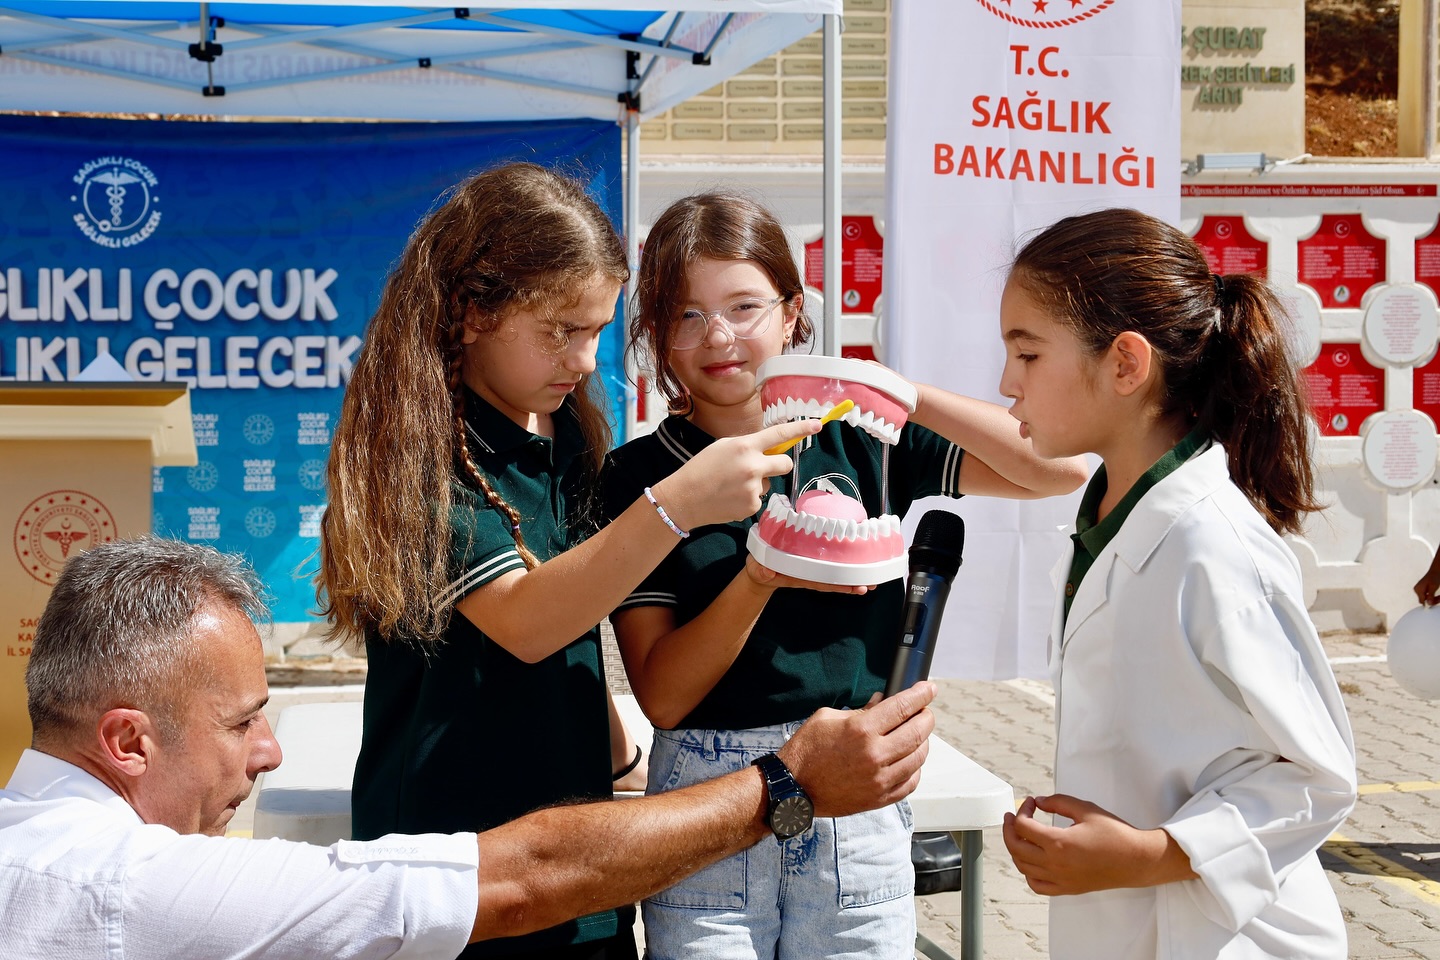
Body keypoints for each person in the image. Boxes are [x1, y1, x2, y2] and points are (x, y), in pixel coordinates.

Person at [315, 163, 827, 959]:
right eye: (561, 330)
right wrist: (676, 506)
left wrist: (617, 753)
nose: (586, 359)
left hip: (578, 865)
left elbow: (579, 634)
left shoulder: (567, 431)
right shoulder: (420, 450)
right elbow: (527, 621)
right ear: (472, 310)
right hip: (457, 873)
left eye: (595, 329)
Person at [1, 536, 938, 960]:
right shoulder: (129, 891)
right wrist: (789, 782)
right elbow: (521, 880)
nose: (273, 752)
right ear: (128, 739)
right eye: (245, 720)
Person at [599, 192, 1089, 960]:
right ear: (656, 334)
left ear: (794, 314)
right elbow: (663, 695)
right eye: (686, 315)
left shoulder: (864, 441)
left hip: (857, 805)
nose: (718, 336)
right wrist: (762, 575)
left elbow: (1059, 466)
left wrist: (904, 395)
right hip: (707, 804)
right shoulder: (637, 478)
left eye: (743, 307)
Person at [995, 208, 1357, 959]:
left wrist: (1151, 855)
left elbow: (1317, 775)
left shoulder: (1212, 543)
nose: (1007, 383)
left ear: (1126, 365)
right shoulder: (1111, 513)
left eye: (1027, 355)